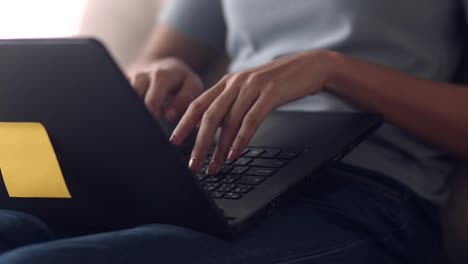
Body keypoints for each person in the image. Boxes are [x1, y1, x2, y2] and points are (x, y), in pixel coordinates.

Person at [0, 0, 466, 263]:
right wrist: (163, 69)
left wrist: (333, 70)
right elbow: (148, 59)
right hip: (207, 175)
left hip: (364, 195)